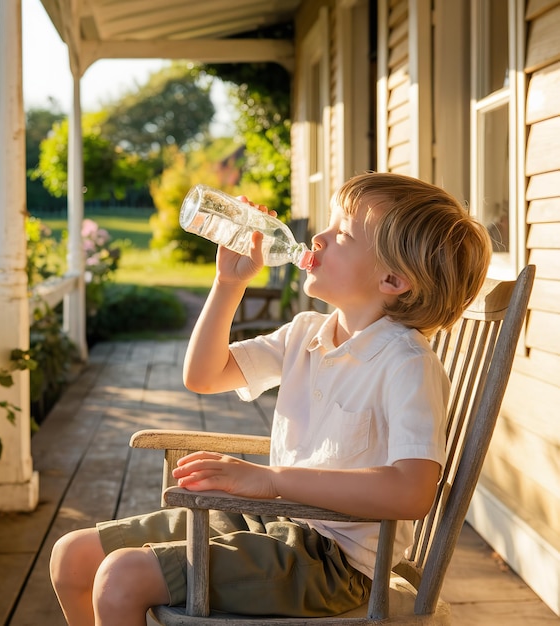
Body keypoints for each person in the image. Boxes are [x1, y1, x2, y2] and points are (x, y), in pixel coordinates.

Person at [49, 172, 492, 626]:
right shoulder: (306, 333)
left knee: (121, 577)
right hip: (267, 524)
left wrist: (271, 480)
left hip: (330, 563)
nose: (317, 238)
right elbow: (203, 375)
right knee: (73, 556)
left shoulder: (406, 364)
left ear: (393, 279)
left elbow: (411, 491)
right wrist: (228, 283)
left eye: (341, 234)